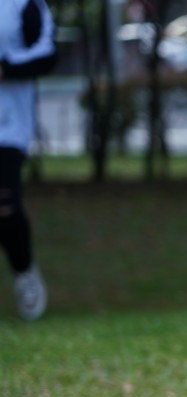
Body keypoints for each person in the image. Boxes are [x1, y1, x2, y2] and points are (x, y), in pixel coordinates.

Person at [0, 0, 55, 321]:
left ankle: (24, 271)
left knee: (5, 204)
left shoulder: (23, 4)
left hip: (7, 125)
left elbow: (47, 54)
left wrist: (6, 67)